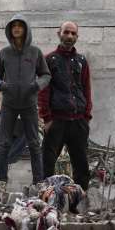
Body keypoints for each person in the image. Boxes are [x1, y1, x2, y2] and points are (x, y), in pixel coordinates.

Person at [0, 14, 50, 191]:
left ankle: (38, 181)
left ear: (26, 29)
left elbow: (46, 75)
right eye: (13, 26)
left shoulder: (35, 52)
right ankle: (1, 181)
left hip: (29, 104)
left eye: (20, 26)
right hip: (8, 104)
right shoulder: (4, 53)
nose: (16, 28)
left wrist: (36, 85)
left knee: (33, 143)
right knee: (4, 144)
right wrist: (1, 85)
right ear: (10, 30)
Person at [38, 20, 92, 190]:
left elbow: (86, 89)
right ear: (59, 33)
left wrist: (86, 116)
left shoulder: (82, 61)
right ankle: (46, 200)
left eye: (73, 33)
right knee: (47, 163)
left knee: (81, 165)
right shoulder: (49, 60)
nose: (69, 36)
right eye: (66, 32)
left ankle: (79, 203)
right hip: (57, 121)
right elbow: (44, 90)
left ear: (77, 37)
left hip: (78, 122)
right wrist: (46, 118)